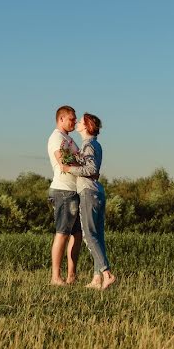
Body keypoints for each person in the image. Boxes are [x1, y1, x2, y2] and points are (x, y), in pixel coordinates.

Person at [61, 113, 116, 290]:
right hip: (97, 191)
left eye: (80, 121)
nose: (76, 123)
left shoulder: (88, 144)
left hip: (88, 191)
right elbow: (90, 166)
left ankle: (106, 274)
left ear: (86, 126)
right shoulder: (95, 144)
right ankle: (96, 278)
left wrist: (69, 168)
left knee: (88, 235)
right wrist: (75, 159)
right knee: (98, 236)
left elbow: (91, 168)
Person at [47, 105, 82, 285]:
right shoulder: (57, 138)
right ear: (61, 119)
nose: (74, 122)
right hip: (63, 191)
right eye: (71, 119)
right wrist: (81, 162)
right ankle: (55, 277)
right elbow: (63, 161)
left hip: (74, 191)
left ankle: (71, 276)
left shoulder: (69, 139)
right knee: (62, 233)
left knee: (77, 234)